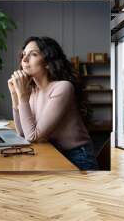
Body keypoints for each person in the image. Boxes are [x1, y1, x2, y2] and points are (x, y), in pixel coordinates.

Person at [8, 36, 99, 170]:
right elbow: (22, 133)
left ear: (47, 62)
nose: (25, 59)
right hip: (53, 153)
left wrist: (22, 96)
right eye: (24, 54)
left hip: (78, 158)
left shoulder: (63, 87)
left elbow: (33, 136)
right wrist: (15, 94)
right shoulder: (33, 92)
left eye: (33, 54)